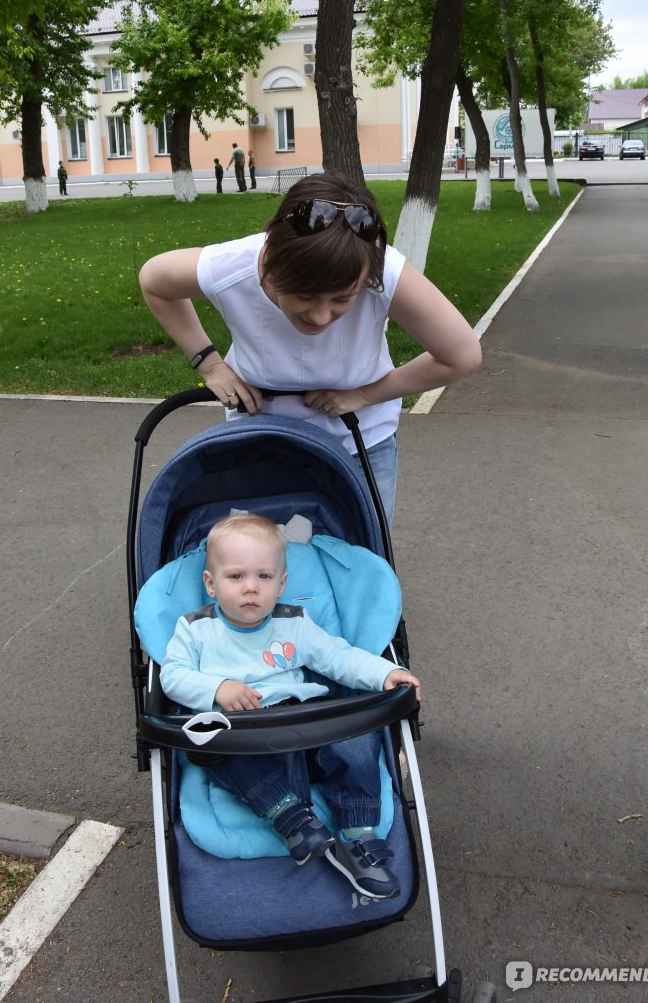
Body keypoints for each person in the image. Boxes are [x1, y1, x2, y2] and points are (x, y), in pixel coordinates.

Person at [138, 171, 481, 525]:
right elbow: (154, 281)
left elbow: (461, 355)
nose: (320, 316)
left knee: (361, 561)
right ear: (270, 262)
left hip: (359, 443)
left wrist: (365, 394)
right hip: (260, 444)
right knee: (259, 566)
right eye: (304, 296)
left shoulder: (383, 270)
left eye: (342, 298)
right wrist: (209, 365)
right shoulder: (233, 266)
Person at [161, 513, 421, 898]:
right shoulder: (195, 629)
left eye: (264, 577)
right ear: (210, 584)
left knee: (357, 734)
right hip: (244, 734)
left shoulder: (293, 623)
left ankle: (356, 834)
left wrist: (385, 674)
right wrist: (217, 688)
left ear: (281, 584)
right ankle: (290, 815)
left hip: (306, 725)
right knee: (211, 752)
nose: (251, 587)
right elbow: (173, 676)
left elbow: (338, 657)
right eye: (236, 577)